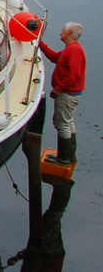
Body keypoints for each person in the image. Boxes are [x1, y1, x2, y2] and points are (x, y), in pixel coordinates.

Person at [39, 22, 85, 165]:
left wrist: (58, 88)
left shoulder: (74, 50)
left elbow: (74, 74)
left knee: (62, 123)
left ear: (69, 31)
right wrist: (40, 42)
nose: (61, 32)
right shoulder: (71, 49)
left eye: (63, 30)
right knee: (68, 122)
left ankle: (63, 159)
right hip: (72, 94)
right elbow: (54, 57)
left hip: (67, 94)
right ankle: (69, 155)